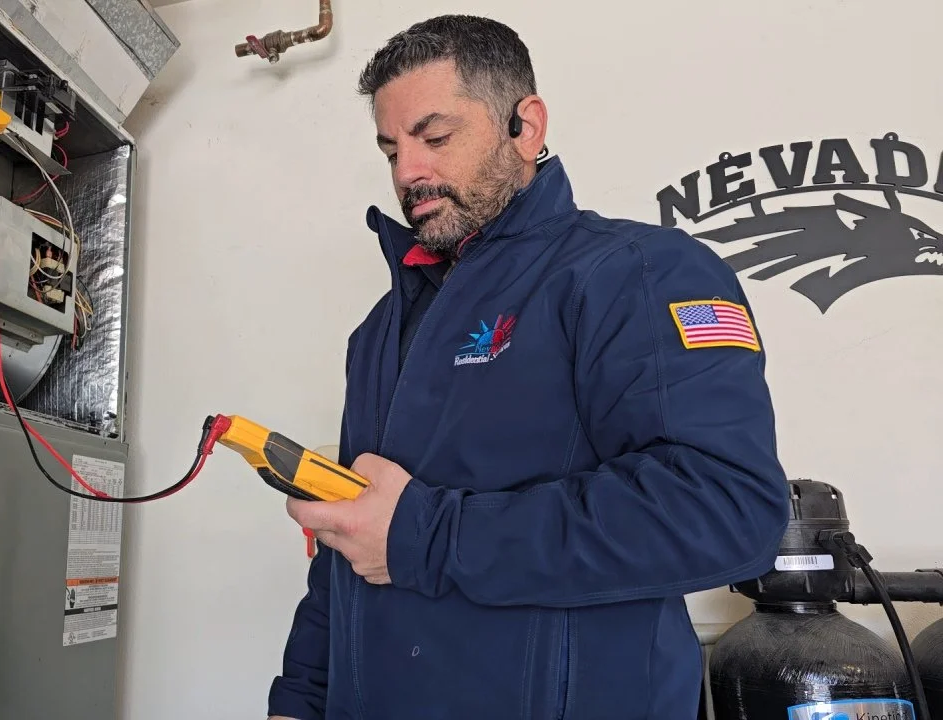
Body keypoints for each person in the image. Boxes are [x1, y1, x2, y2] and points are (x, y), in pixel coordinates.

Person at [266, 14, 791, 720]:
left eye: (436, 137)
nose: (408, 173)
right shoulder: (380, 331)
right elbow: (347, 548)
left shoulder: (636, 274)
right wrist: (298, 701)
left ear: (526, 126)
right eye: (391, 150)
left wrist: (425, 535)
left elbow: (724, 507)